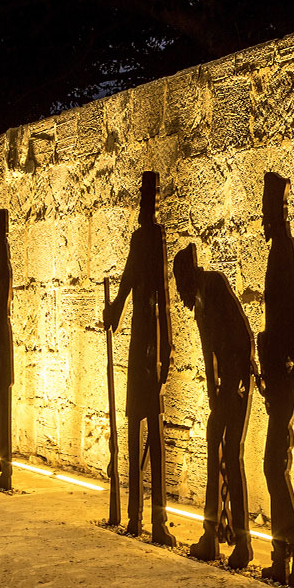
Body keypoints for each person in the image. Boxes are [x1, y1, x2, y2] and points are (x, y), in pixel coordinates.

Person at [103, 171, 176, 546]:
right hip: (138, 339)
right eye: (146, 198)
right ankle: (134, 514)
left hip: (153, 336)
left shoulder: (157, 237)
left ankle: (158, 518)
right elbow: (129, 278)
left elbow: (162, 292)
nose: (149, 206)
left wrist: (166, 344)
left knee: (155, 429)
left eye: (153, 199)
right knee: (134, 422)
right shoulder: (138, 237)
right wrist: (115, 308)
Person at [172, 243, 255, 569]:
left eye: (180, 286)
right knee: (217, 451)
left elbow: (241, 338)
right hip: (222, 392)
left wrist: (233, 384)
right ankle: (212, 534)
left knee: (230, 457)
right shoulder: (202, 301)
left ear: (189, 278)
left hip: (233, 388)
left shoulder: (215, 286)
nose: (179, 294)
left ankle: (240, 542)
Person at [255, 171, 294, 588]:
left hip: (284, 371)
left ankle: (292, 539)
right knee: (273, 463)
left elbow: (292, 313)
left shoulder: (285, 249)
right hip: (278, 369)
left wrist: (289, 363)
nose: (262, 217)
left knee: (274, 464)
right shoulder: (278, 249)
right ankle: (281, 551)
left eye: (267, 209)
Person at [0, 209, 16, 490]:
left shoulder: (4, 270)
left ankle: (6, 469)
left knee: (3, 403)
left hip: (2, 338)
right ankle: (2, 467)